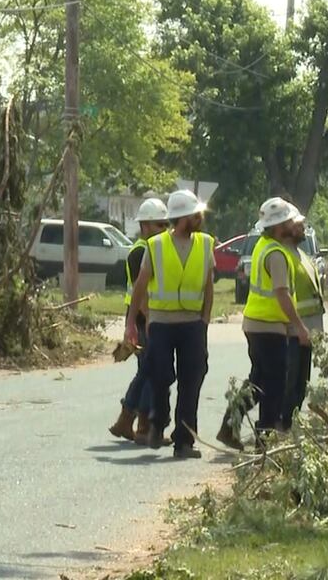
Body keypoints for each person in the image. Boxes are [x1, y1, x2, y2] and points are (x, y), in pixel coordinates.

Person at [216, 197, 310, 451]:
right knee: (274, 386)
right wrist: (299, 327)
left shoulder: (263, 245)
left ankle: (229, 426)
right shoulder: (277, 254)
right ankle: (264, 439)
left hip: (256, 325)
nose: (294, 226)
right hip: (268, 328)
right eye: (290, 222)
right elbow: (282, 293)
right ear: (280, 226)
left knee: (257, 382)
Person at [128, 189, 215, 459]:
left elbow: (209, 285)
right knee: (160, 375)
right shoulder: (155, 246)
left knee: (191, 382)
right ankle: (157, 423)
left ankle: (184, 441)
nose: (200, 217)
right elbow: (140, 285)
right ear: (182, 217)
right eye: (194, 214)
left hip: (192, 324)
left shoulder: (205, 243)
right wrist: (132, 321)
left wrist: (205, 320)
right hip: (162, 324)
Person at [109, 198, 170, 444]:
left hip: (148, 317)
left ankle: (137, 423)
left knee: (150, 372)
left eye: (166, 224)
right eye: (159, 225)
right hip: (144, 318)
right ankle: (133, 421)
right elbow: (140, 291)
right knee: (149, 371)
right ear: (145, 226)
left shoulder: (154, 248)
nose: (164, 229)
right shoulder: (141, 251)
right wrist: (146, 321)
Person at [282, 208, 323, 430]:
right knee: (288, 383)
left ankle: (291, 423)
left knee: (301, 383)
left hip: (307, 331)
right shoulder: (284, 256)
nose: (303, 228)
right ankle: (282, 424)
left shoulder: (302, 255)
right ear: (287, 228)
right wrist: (298, 328)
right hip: (293, 331)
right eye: (298, 224)